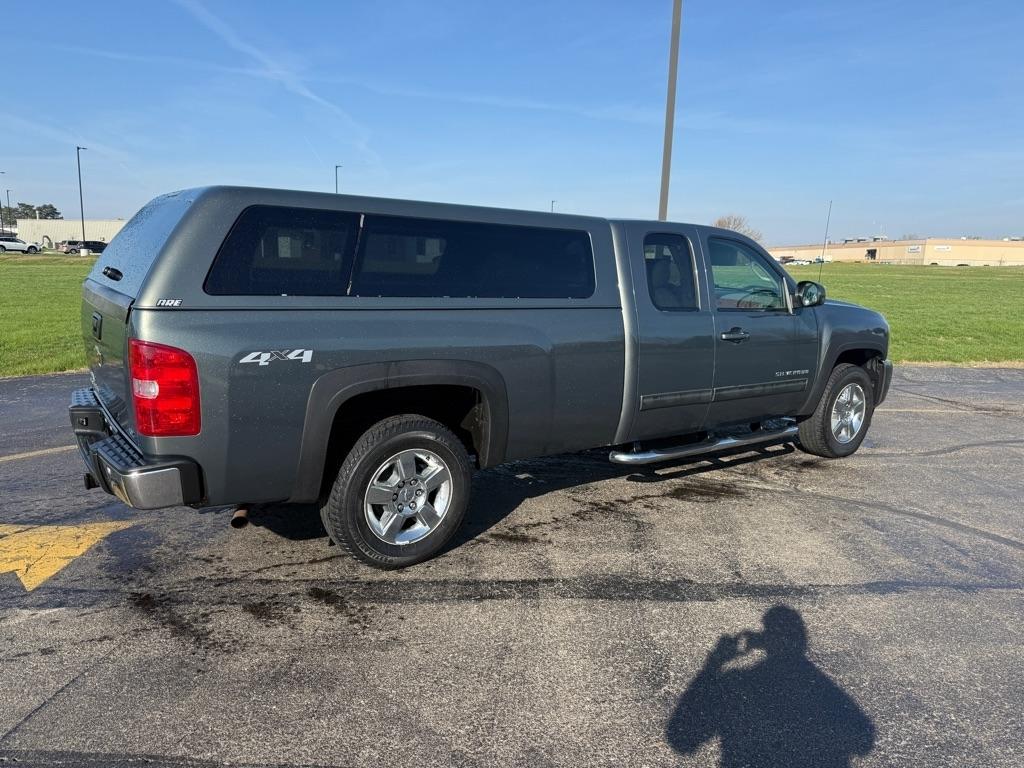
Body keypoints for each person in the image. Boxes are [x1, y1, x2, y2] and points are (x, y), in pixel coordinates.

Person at [667, 605, 875, 768]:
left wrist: (713, 665)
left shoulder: (736, 683)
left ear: (764, 641)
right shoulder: (826, 692)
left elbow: (682, 740)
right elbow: (864, 741)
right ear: (801, 641)